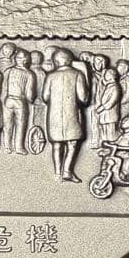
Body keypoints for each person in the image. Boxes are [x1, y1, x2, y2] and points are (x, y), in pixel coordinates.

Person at [42, 47, 90, 183]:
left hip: (55, 115)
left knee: (57, 144)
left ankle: (57, 173)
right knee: (72, 143)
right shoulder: (78, 74)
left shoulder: (50, 76)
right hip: (72, 113)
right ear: (70, 61)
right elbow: (83, 98)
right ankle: (67, 171)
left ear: (56, 62)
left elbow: (45, 97)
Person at [2, 49, 36, 154]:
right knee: (20, 125)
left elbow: (3, 88)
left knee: (7, 125)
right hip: (20, 101)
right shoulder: (29, 74)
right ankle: (19, 147)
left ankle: (7, 147)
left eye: (21, 58)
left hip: (8, 100)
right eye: (19, 58)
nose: (20, 60)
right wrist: (32, 99)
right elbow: (29, 94)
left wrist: (3, 99)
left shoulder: (8, 71)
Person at [102, 114, 129, 180]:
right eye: (123, 120)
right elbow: (116, 142)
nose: (122, 121)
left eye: (126, 120)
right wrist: (108, 143)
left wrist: (124, 148)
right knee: (108, 159)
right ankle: (106, 172)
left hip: (127, 157)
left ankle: (124, 176)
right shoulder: (123, 135)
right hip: (119, 155)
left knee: (126, 166)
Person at [96, 67, 122, 145]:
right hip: (105, 114)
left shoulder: (115, 87)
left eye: (107, 74)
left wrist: (102, 108)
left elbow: (112, 101)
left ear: (112, 76)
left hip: (111, 113)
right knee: (105, 130)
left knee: (111, 131)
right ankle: (106, 145)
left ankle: (113, 145)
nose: (105, 76)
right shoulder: (109, 86)